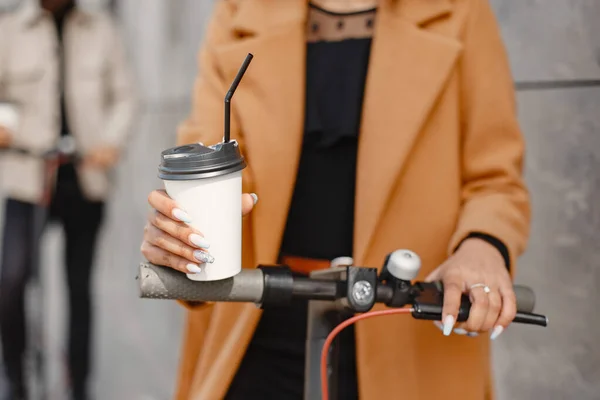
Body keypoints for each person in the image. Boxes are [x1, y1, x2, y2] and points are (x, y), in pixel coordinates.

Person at [141, 0, 530, 398]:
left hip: (408, 337)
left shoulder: (460, 11)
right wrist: (184, 233)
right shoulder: (240, 11)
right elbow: (208, 160)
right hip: (257, 325)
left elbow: (495, 179)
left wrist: (482, 246)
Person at [0, 0, 136, 399]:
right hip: (29, 176)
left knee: (79, 287)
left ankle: (79, 383)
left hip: (85, 175)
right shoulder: (9, 28)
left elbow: (125, 95)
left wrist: (111, 142)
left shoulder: (102, 29)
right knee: (11, 282)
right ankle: (16, 378)